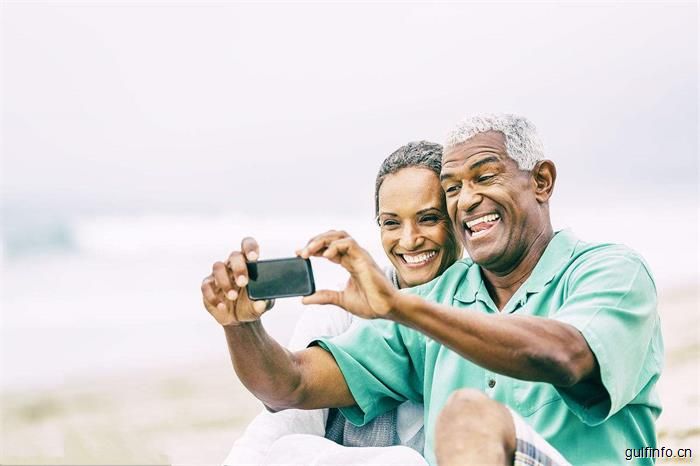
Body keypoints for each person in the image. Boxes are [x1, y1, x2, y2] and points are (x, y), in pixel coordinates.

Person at [202, 114, 663, 466]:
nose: (467, 199)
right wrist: (242, 325)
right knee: (291, 452)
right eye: (453, 188)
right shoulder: (440, 296)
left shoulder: (610, 270)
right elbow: (292, 385)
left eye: (484, 177)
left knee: (469, 414)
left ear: (541, 181)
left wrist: (403, 307)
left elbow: (566, 356)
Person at [222, 141, 462, 465]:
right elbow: (286, 402)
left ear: (459, 217)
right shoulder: (340, 310)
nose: (409, 239)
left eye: (429, 218)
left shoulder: (484, 314)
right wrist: (240, 325)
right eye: (391, 223)